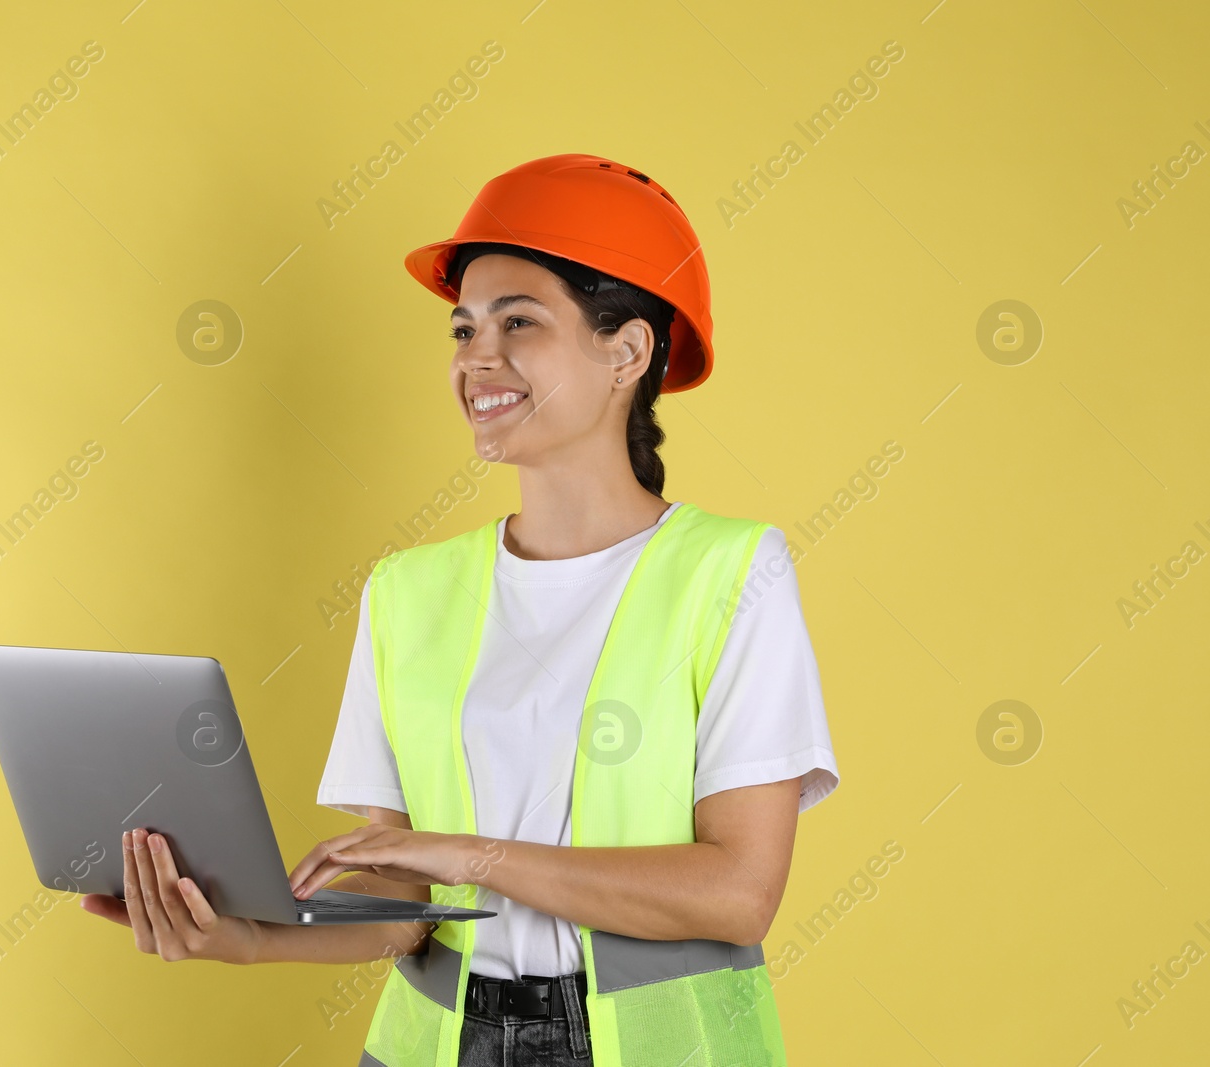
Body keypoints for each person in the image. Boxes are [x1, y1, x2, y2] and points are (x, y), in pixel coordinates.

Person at [81, 153, 839, 1067]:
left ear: (627, 350)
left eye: (519, 321)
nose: (479, 357)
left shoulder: (732, 570)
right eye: (464, 328)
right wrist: (245, 935)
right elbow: (406, 903)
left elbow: (736, 892)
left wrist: (474, 856)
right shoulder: (408, 591)